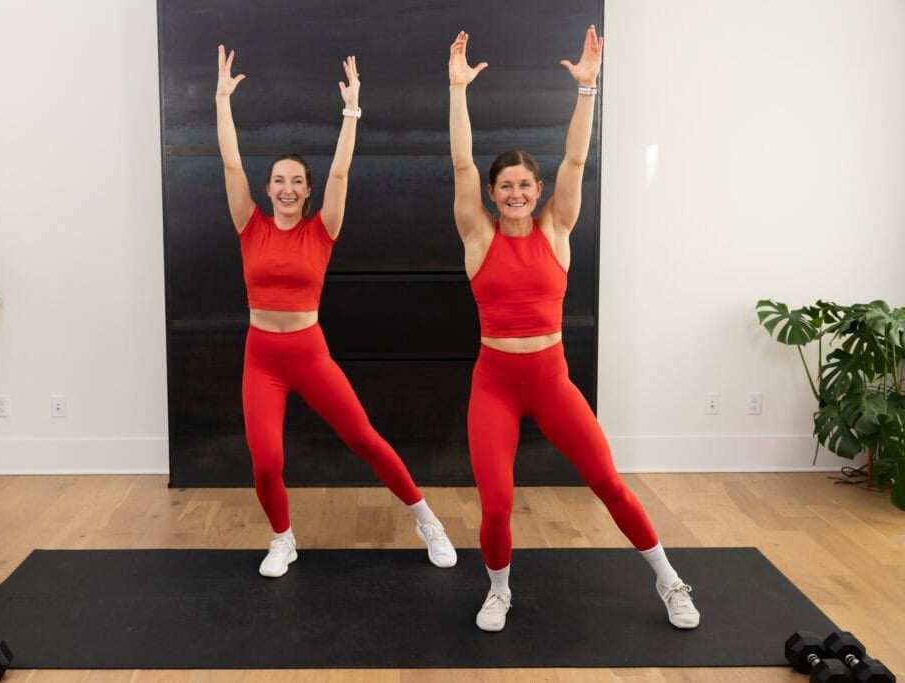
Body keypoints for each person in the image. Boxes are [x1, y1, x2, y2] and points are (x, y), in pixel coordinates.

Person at [447, 26, 700, 632]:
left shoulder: (557, 230)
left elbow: (577, 159)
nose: (514, 192)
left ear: (538, 193)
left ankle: (670, 580)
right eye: (503, 185)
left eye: (524, 185)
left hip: (551, 380)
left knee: (609, 483)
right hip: (496, 386)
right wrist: (457, 90)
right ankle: (500, 590)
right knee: (499, 503)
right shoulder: (476, 236)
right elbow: (460, 159)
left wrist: (588, 88)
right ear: (491, 193)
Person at [215, 45, 457, 578]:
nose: (287, 187)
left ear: (306, 191)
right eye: (278, 180)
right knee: (267, 460)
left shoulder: (321, 230)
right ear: (268, 188)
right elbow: (231, 161)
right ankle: (283, 538)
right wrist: (222, 100)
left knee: (364, 438)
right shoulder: (248, 225)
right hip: (262, 357)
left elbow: (341, 174)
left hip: (308, 351)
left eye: (297, 181)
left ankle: (426, 519)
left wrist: (352, 112)